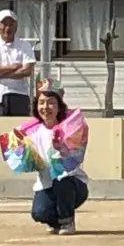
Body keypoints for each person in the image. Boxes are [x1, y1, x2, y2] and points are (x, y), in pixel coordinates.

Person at [20, 85, 88, 235]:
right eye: (41, 102)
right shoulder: (32, 132)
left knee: (62, 181)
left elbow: (75, 159)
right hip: (46, 184)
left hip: (72, 183)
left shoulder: (70, 128)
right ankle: (54, 220)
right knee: (39, 213)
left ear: (59, 106)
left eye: (51, 102)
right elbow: (30, 162)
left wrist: (61, 148)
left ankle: (67, 220)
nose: (46, 107)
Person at [0, 9, 37, 118]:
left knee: (19, 132)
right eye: (4, 24)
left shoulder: (25, 45)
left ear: (16, 26)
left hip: (20, 94)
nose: (8, 28)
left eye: (11, 24)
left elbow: (27, 70)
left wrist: (0, 72)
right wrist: (14, 66)